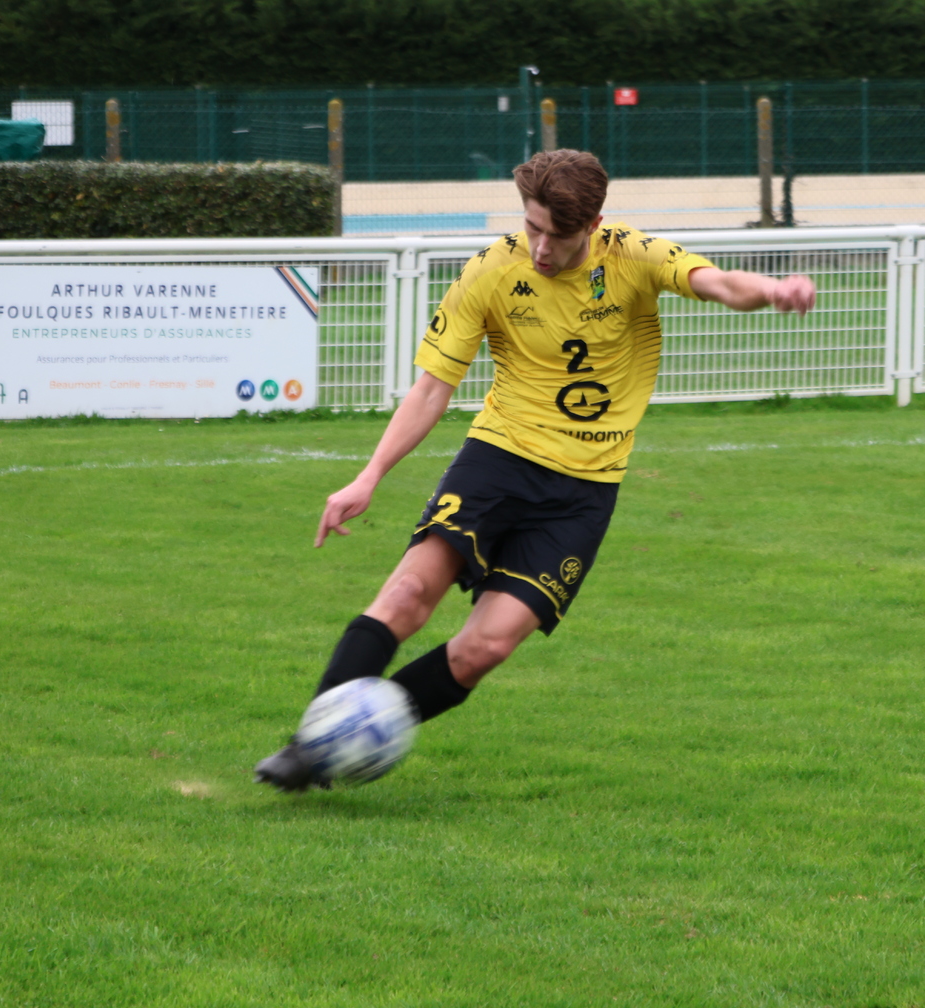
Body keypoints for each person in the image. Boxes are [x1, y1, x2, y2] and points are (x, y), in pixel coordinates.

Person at [254, 149, 816, 791]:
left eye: (558, 234)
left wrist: (772, 291)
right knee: (407, 595)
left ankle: (350, 740)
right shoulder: (491, 270)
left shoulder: (635, 255)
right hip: (498, 460)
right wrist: (369, 474)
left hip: (584, 492)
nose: (542, 247)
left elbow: (717, 283)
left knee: (485, 649)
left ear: (594, 224)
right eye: (532, 227)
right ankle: (308, 747)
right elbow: (432, 388)